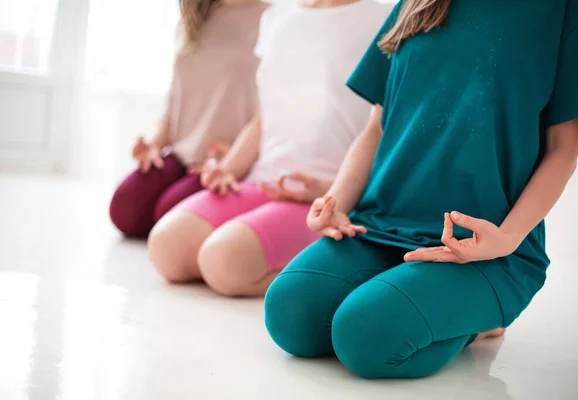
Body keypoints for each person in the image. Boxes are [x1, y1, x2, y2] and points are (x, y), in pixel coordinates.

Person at [264, 0, 578, 379]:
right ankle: (425, 302)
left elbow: (562, 151)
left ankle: (476, 321)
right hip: (377, 227)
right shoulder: (415, 2)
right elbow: (377, 127)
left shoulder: (566, 10)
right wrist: (337, 202)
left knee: (366, 336)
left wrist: (506, 239)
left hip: (480, 250)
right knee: (290, 314)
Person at [146, 0, 393, 296]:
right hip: (263, 179)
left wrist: (331, 194)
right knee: (167, 248)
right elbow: (264, 117)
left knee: (222, 262)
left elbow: (382, 131)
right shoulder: (278, 15)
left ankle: (336, 273)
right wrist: (228, 169)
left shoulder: (385, 18)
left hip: (322, 198)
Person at [109, 0, 267, 238]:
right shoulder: (196, 14)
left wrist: (234, 162)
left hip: (225, 161)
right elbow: (176, 99)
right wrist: (154, 145)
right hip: (181, 153)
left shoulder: (271, 21)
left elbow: (272, 112)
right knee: (124, 209)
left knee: (169, 214)